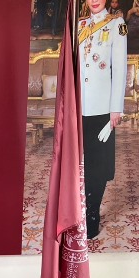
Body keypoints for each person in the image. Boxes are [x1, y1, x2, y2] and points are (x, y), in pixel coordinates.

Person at [79, 0, 127, 239]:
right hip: (80, 106)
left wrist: (115, 108)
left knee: (98, 165)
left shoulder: (117, 24)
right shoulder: (80, 26)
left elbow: (119, 69)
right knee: (83, 162)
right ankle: (81, 209)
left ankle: (92, 213)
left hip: (102, 107)